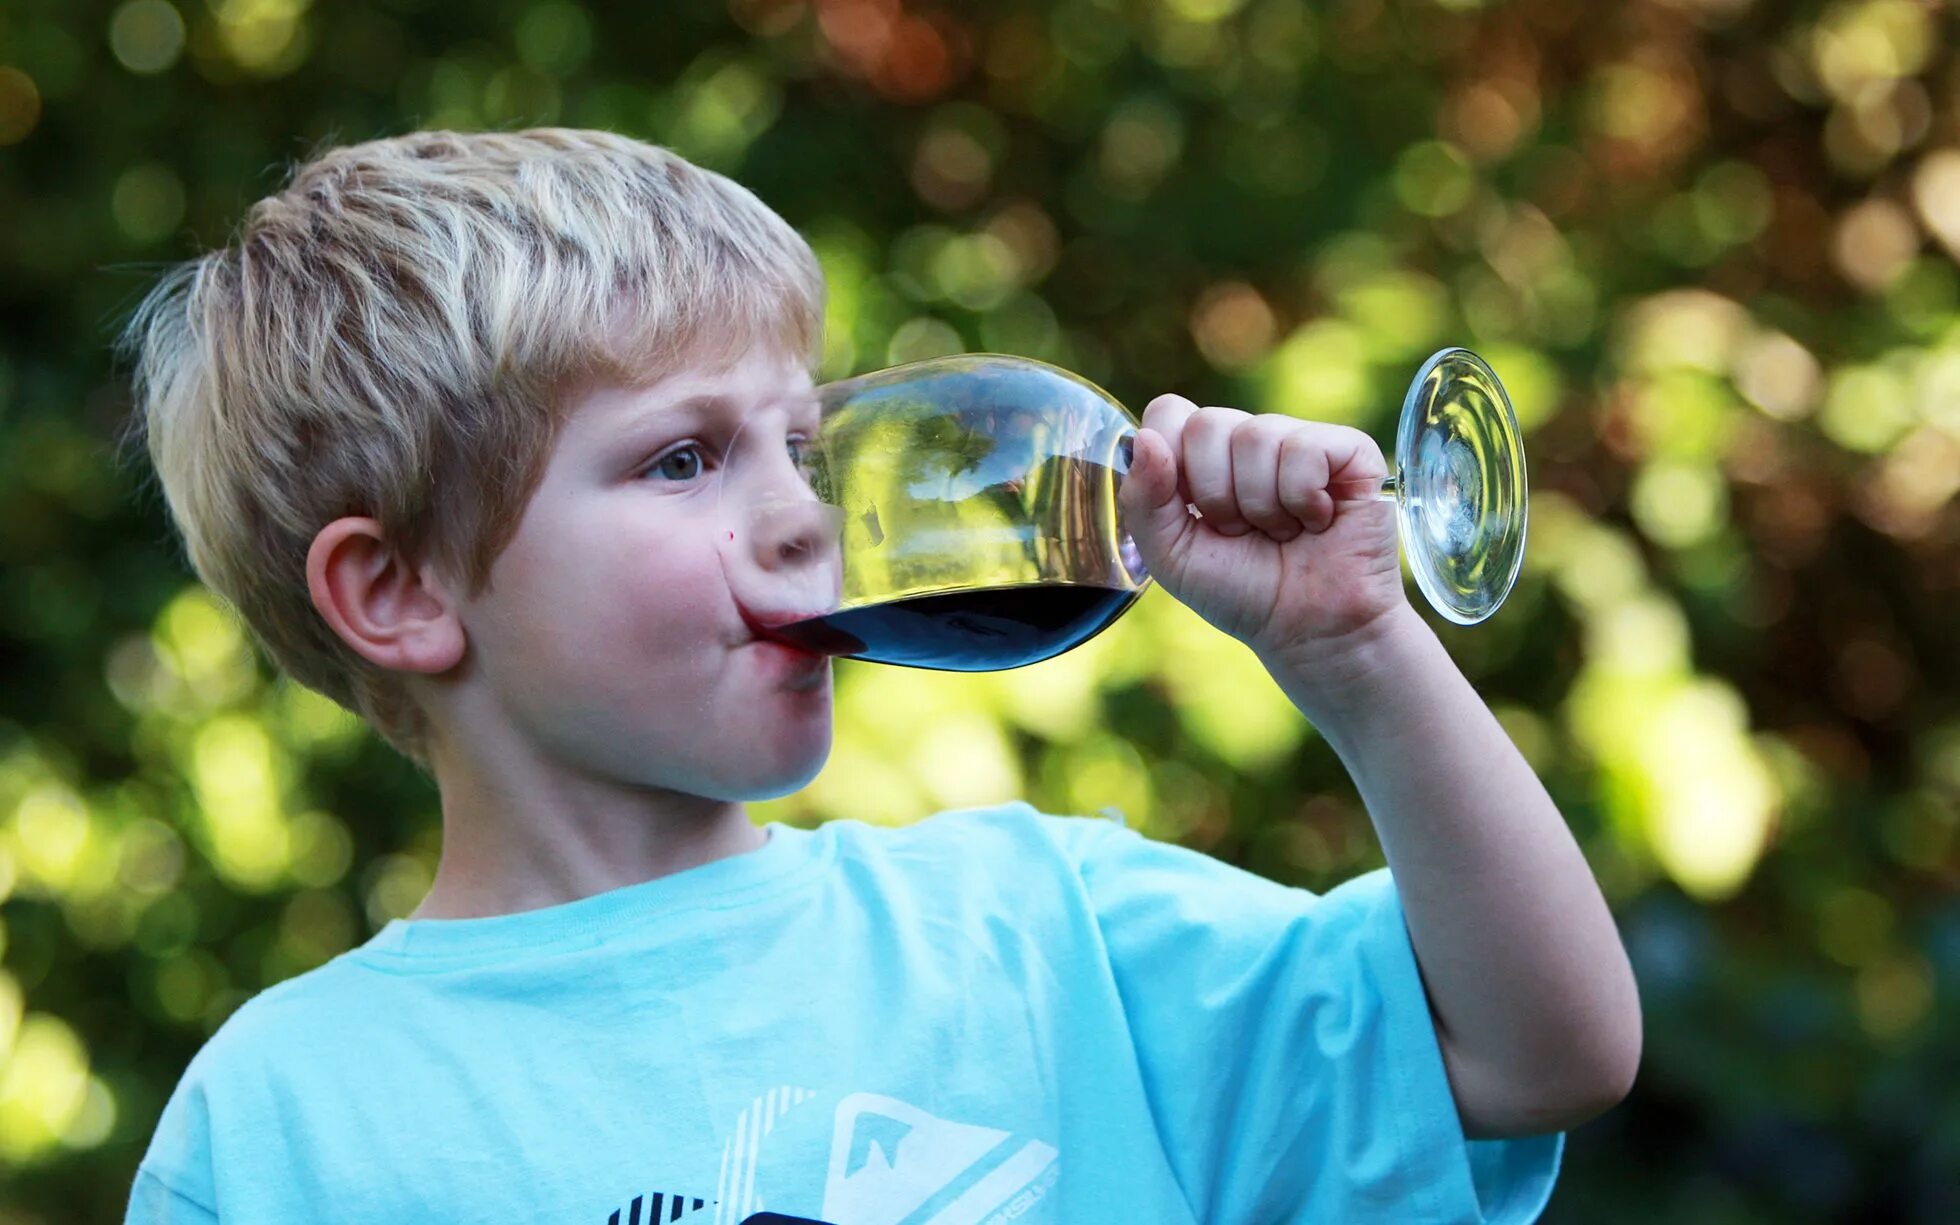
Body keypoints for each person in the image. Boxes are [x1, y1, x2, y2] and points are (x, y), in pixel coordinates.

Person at [114, 128, 1640, 1224]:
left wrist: (1356, 652)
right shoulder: (282, 1126)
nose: (800, 514)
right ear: (398, 591)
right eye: (686, 458)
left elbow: (1543, 1049)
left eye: (803, 442)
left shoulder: (1047, 929)